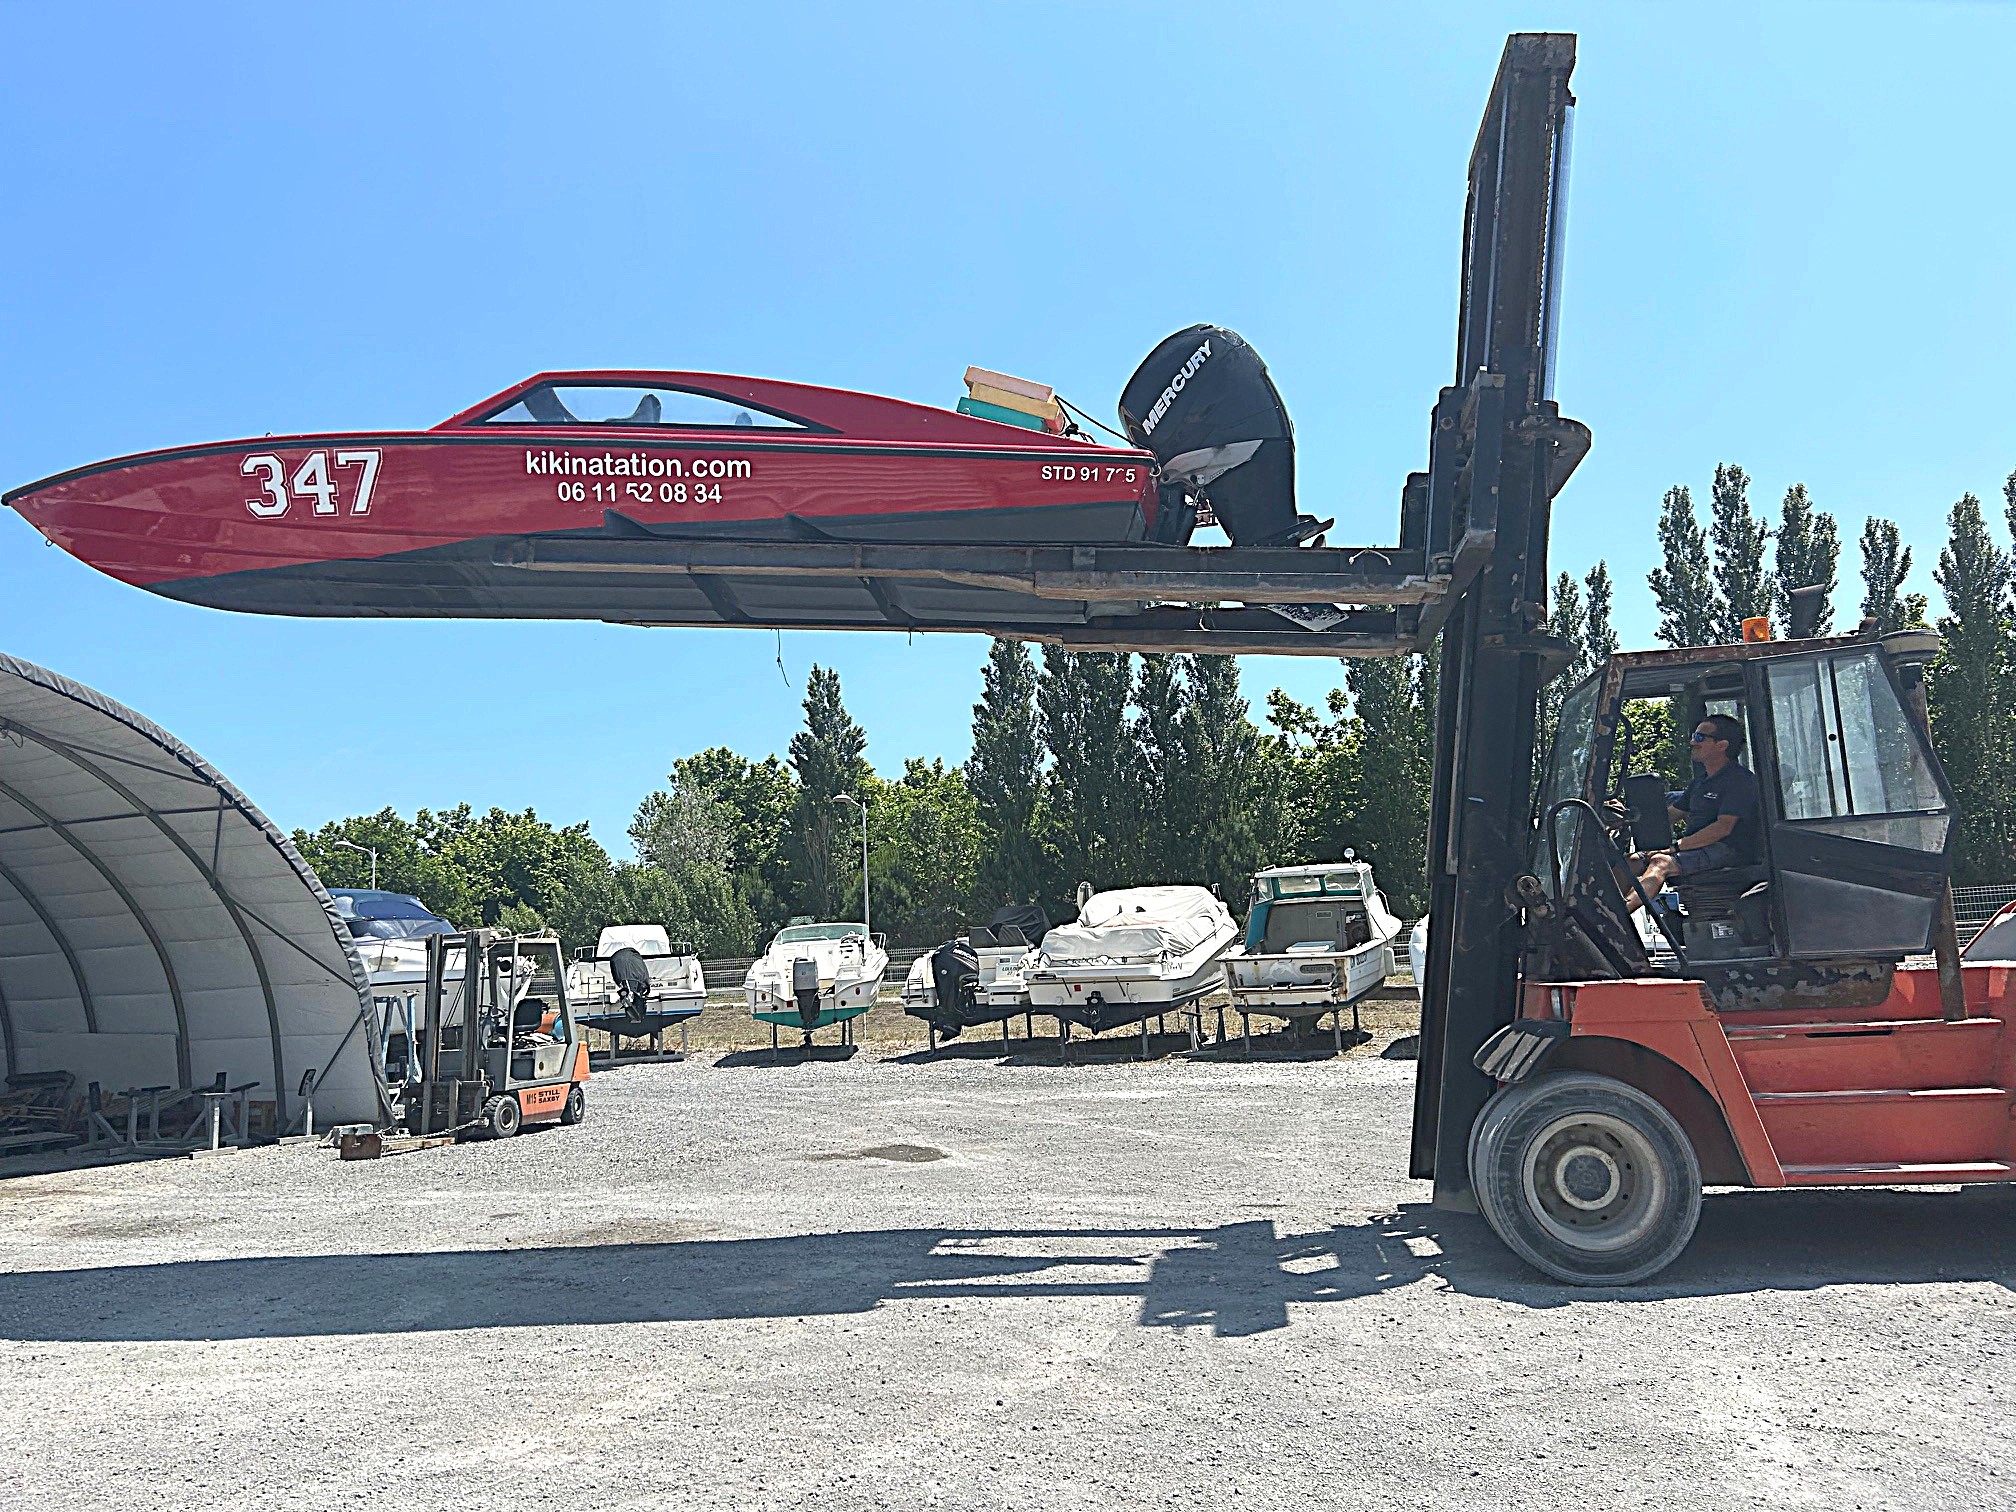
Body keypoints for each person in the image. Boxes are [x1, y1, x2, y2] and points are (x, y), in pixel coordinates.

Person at [1629, 714, 1762, 907]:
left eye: (1699, 737)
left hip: (1727, 849)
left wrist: (1675, 848)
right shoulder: (1700, 782)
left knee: (1661, 863)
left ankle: (1614, 919)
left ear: (1721, 745)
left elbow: (1722, 828)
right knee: (1630, 861)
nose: (1692, 741)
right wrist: (1628, 819)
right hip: (1698, 848)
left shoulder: (1739, 781)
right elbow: (1671, 815)